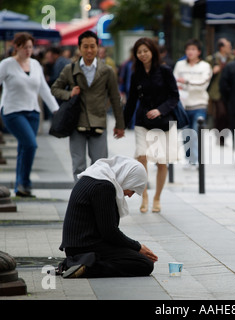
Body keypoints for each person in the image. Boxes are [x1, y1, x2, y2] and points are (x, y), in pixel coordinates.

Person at [59, 155, 158, 278]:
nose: (131, 195)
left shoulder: (96, 177)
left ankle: (78, 263)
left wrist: (134, 249)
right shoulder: (104, 187)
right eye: (133, 190)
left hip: (81, 244)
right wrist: (137, 247)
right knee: (144, 264)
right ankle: (86, 266)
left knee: (134, 256)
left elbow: (107, 231)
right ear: (128, 179)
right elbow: (110, 232)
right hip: (84, 247)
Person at [51, 31, 125, 182]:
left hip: (99, 122)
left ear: (98, 47)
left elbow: (115, 98)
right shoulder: (70, 69)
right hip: (76, 122)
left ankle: (96, 201)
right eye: (85, 47)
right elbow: (55, 89)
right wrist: (69, 94)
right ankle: (80, 202)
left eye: (92, 46)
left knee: (100, 167)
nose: (89, 50)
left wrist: (120, 124)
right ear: (79, 48)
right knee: (78, 167)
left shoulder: (107, 71)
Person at [124, 37, 179, 214]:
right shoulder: (136, 74)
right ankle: (145, 196)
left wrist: (160, 110)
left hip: (163, 123)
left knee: (162, 163)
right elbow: (131, 101)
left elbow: (174, 97)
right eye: (139, 52)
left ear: (152, 52)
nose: (142, 54)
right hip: (142, 122)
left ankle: (157, 198)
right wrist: (122, 125)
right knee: (142, 157)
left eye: (145, 51)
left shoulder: (165, 71)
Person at [0, 32, 59, 197]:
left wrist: (56, 109)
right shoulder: (6, 64)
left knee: (24, 148)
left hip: (33, 112)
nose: (28, 50)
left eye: (30, 47)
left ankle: (20, 186)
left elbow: (44, 89)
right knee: (30, 144)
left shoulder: (35, 65)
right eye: (25, 47)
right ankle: (25, 182)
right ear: (16, 47)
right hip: (12, 111)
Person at [173, 39, 212, 169]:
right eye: (188, 49)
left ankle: (196, 160)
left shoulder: (205, 66)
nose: (190, 52)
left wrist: (187, 82)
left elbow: (203, 84)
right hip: (183, 105)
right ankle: (189, 159)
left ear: (199, 52)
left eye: (193, 49)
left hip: (199, 105)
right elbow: (174, 82)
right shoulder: (179, 65)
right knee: (186, 135)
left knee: (195, 133)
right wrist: (183, 84)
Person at [206, 38, 235, 146]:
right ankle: (219, 136)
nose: (230, 48)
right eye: (228, 46)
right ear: (222, 48)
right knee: (220, 113)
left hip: (229, 91)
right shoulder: (211, 59)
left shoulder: (232, 59)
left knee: (227, 114)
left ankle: (223, 135)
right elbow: (205, 74)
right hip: (216, 91)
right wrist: (212, 72)